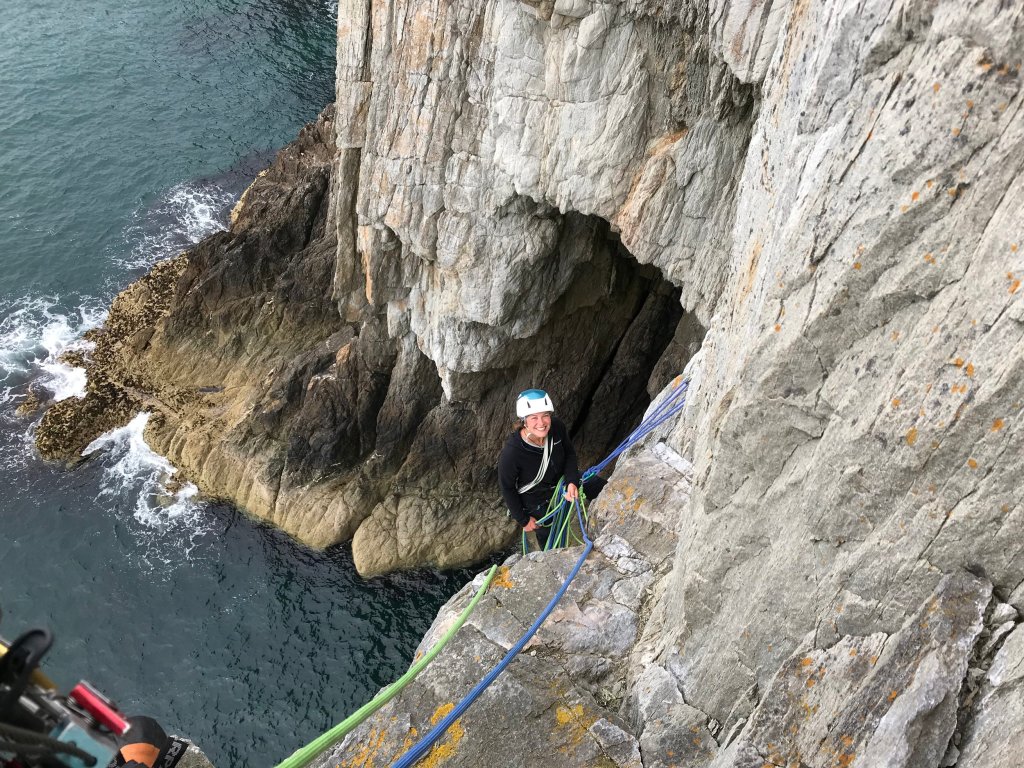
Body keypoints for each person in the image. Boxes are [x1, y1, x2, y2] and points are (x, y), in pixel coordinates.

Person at [497, 389, 605, 549]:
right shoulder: (512, 453)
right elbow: (507, 487)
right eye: (534, 418)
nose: (541, 423)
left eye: (545, 416)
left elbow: (569, 453)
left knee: (598, 485)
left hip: (563, 480)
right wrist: (523, 520)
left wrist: (572, 482)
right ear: (524, 421)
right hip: (536, 497)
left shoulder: (557, 428)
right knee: (549, 537)